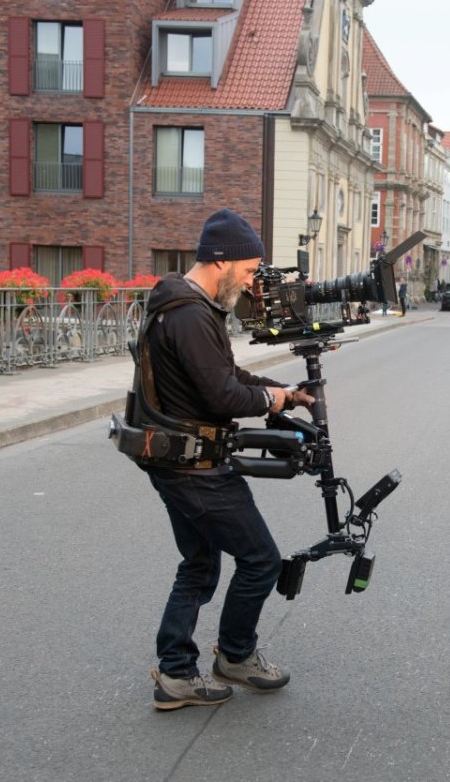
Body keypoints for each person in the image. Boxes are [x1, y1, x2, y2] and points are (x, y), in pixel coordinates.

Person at [141, 209, 315, 710]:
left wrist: (278, 389)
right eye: (248, 268)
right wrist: (272, 402)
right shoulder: (191, 314)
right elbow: (222, 395)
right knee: (260, 560)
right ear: (222, 261)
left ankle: (176, 673)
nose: (251, 280)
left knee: (198, 565)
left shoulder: (185, 305)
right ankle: (235, 656)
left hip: (176, 459)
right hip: (194, 467)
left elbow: (227, 373)